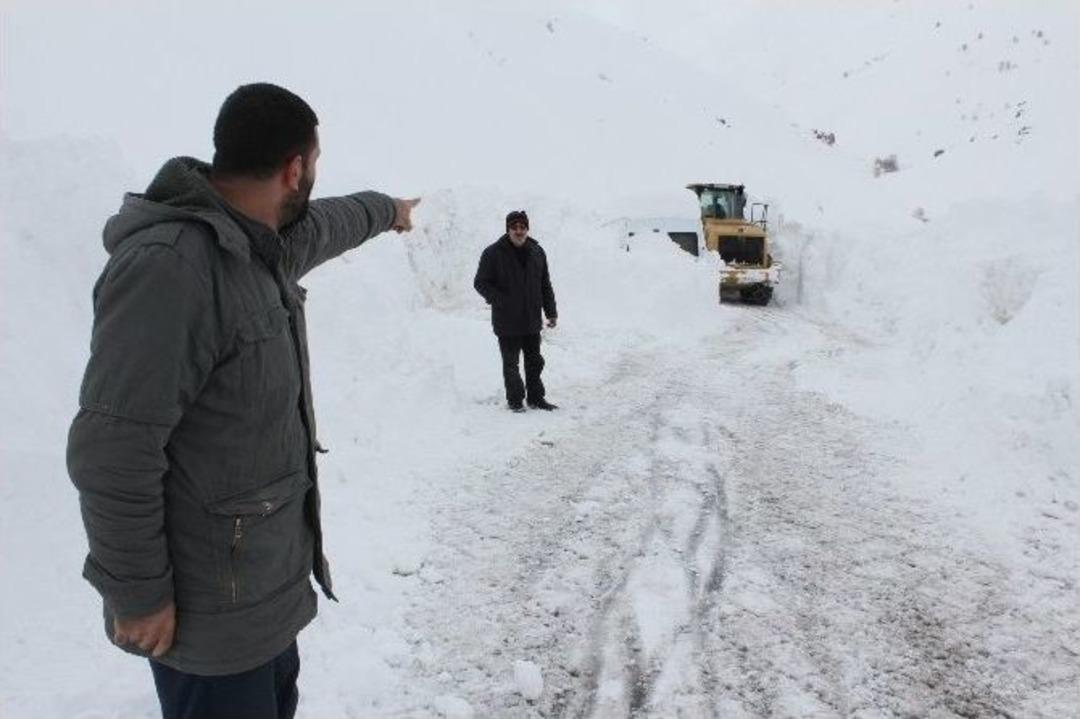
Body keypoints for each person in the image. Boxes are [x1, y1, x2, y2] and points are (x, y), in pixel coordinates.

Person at [66, 82, 420, 719]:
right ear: (295, 169)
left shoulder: (263, 246)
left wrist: (387, 208)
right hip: (210, 622)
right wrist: (138, 595)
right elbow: (111, 449)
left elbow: (333, 221)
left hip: (262, 595)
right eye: (315, 164)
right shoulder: (171, 268)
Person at [473, 210, 558, 412]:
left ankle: (536, 398)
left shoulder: (537, 252)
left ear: (527, 229)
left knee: (534, 362)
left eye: (522, 227)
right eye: (514, 227)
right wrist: (501, 300)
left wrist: (551, 312)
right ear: (508, 229)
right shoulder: (493, 253)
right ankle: (515, 401)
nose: (519, 231)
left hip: (531, 319)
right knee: (511, 365)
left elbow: (545, 284)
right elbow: (480, 283)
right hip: (507, 320)